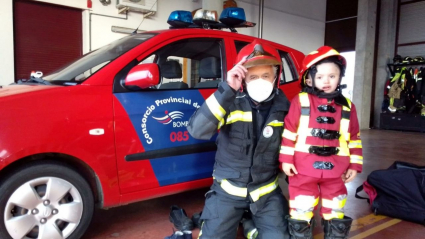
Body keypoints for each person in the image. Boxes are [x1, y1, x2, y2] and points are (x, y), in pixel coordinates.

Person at [187, 40, 291, 239]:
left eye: (265, 76)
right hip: (228, 193)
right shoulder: (229, 101)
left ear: (275, 77)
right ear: (243, 79)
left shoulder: (284, 107)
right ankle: (245, 220)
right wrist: (227, 89)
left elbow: (293, 149)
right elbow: (197, 130)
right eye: (253, 77)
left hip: (266, 194)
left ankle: (248, 221)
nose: (260, 81)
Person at [279, 46, 363, 239]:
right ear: (309, 79)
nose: (326, 81)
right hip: (302, 168)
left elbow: (354, 138)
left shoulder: (348, 107)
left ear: (340, 78)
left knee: (335, 206)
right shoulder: (300, 101)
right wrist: (286, 160)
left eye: (332, 76)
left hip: (336, 171)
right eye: (320, 77)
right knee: (301, 206)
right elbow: (289, 132)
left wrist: (355, 165)